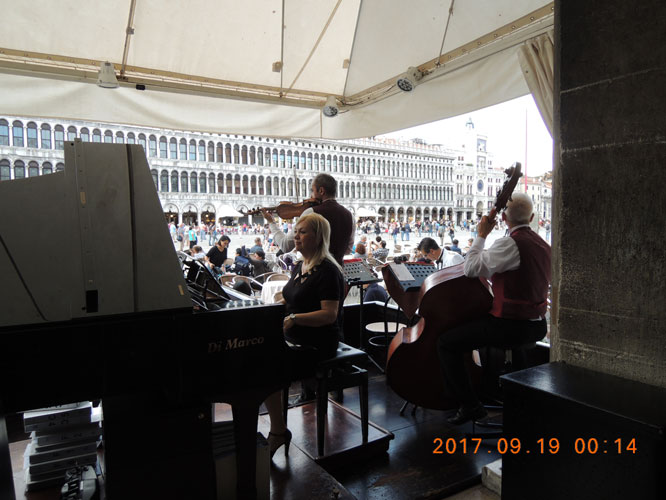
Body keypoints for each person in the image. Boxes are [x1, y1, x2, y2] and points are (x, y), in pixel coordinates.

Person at [436, 193, 551, 425]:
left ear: (504, 219)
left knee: (447, 343)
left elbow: (470, 268)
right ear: (531, 217)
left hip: (511, 325)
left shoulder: (510, 243)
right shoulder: (544, 245)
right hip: (537, 324)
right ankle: (516, 401)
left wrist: (481, 235)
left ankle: (470, 405)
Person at [262, 213, 345, 458]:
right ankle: (277, 425)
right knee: (261, 356)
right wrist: (272, 306)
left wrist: (294, 318)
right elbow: (291, 298)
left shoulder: (328, 271)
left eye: (303, 232)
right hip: (297, 337)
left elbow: (329, 314)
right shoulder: (300, 266)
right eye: (296, 231)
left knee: (268, 367)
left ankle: (278, 431)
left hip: (318, 343)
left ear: (318, 237)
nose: (296, 237)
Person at [263, 173, 354, 265]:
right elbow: (348, 250)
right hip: (338, 270)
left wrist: (271, 222)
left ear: (321, 191)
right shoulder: (349, 215)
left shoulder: (312, 212)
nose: (311, 196)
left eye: (312, 191)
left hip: (315, 269)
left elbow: (285, 245)